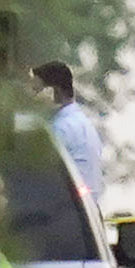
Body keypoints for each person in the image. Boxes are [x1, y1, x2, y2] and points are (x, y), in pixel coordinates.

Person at [33, 60, 106, 199]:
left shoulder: (61, 129)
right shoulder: (82, 123)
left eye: (38, 91)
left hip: (65, 211)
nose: (34, 98)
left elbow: (41, 178)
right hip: (86, 210)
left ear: (55, 90)